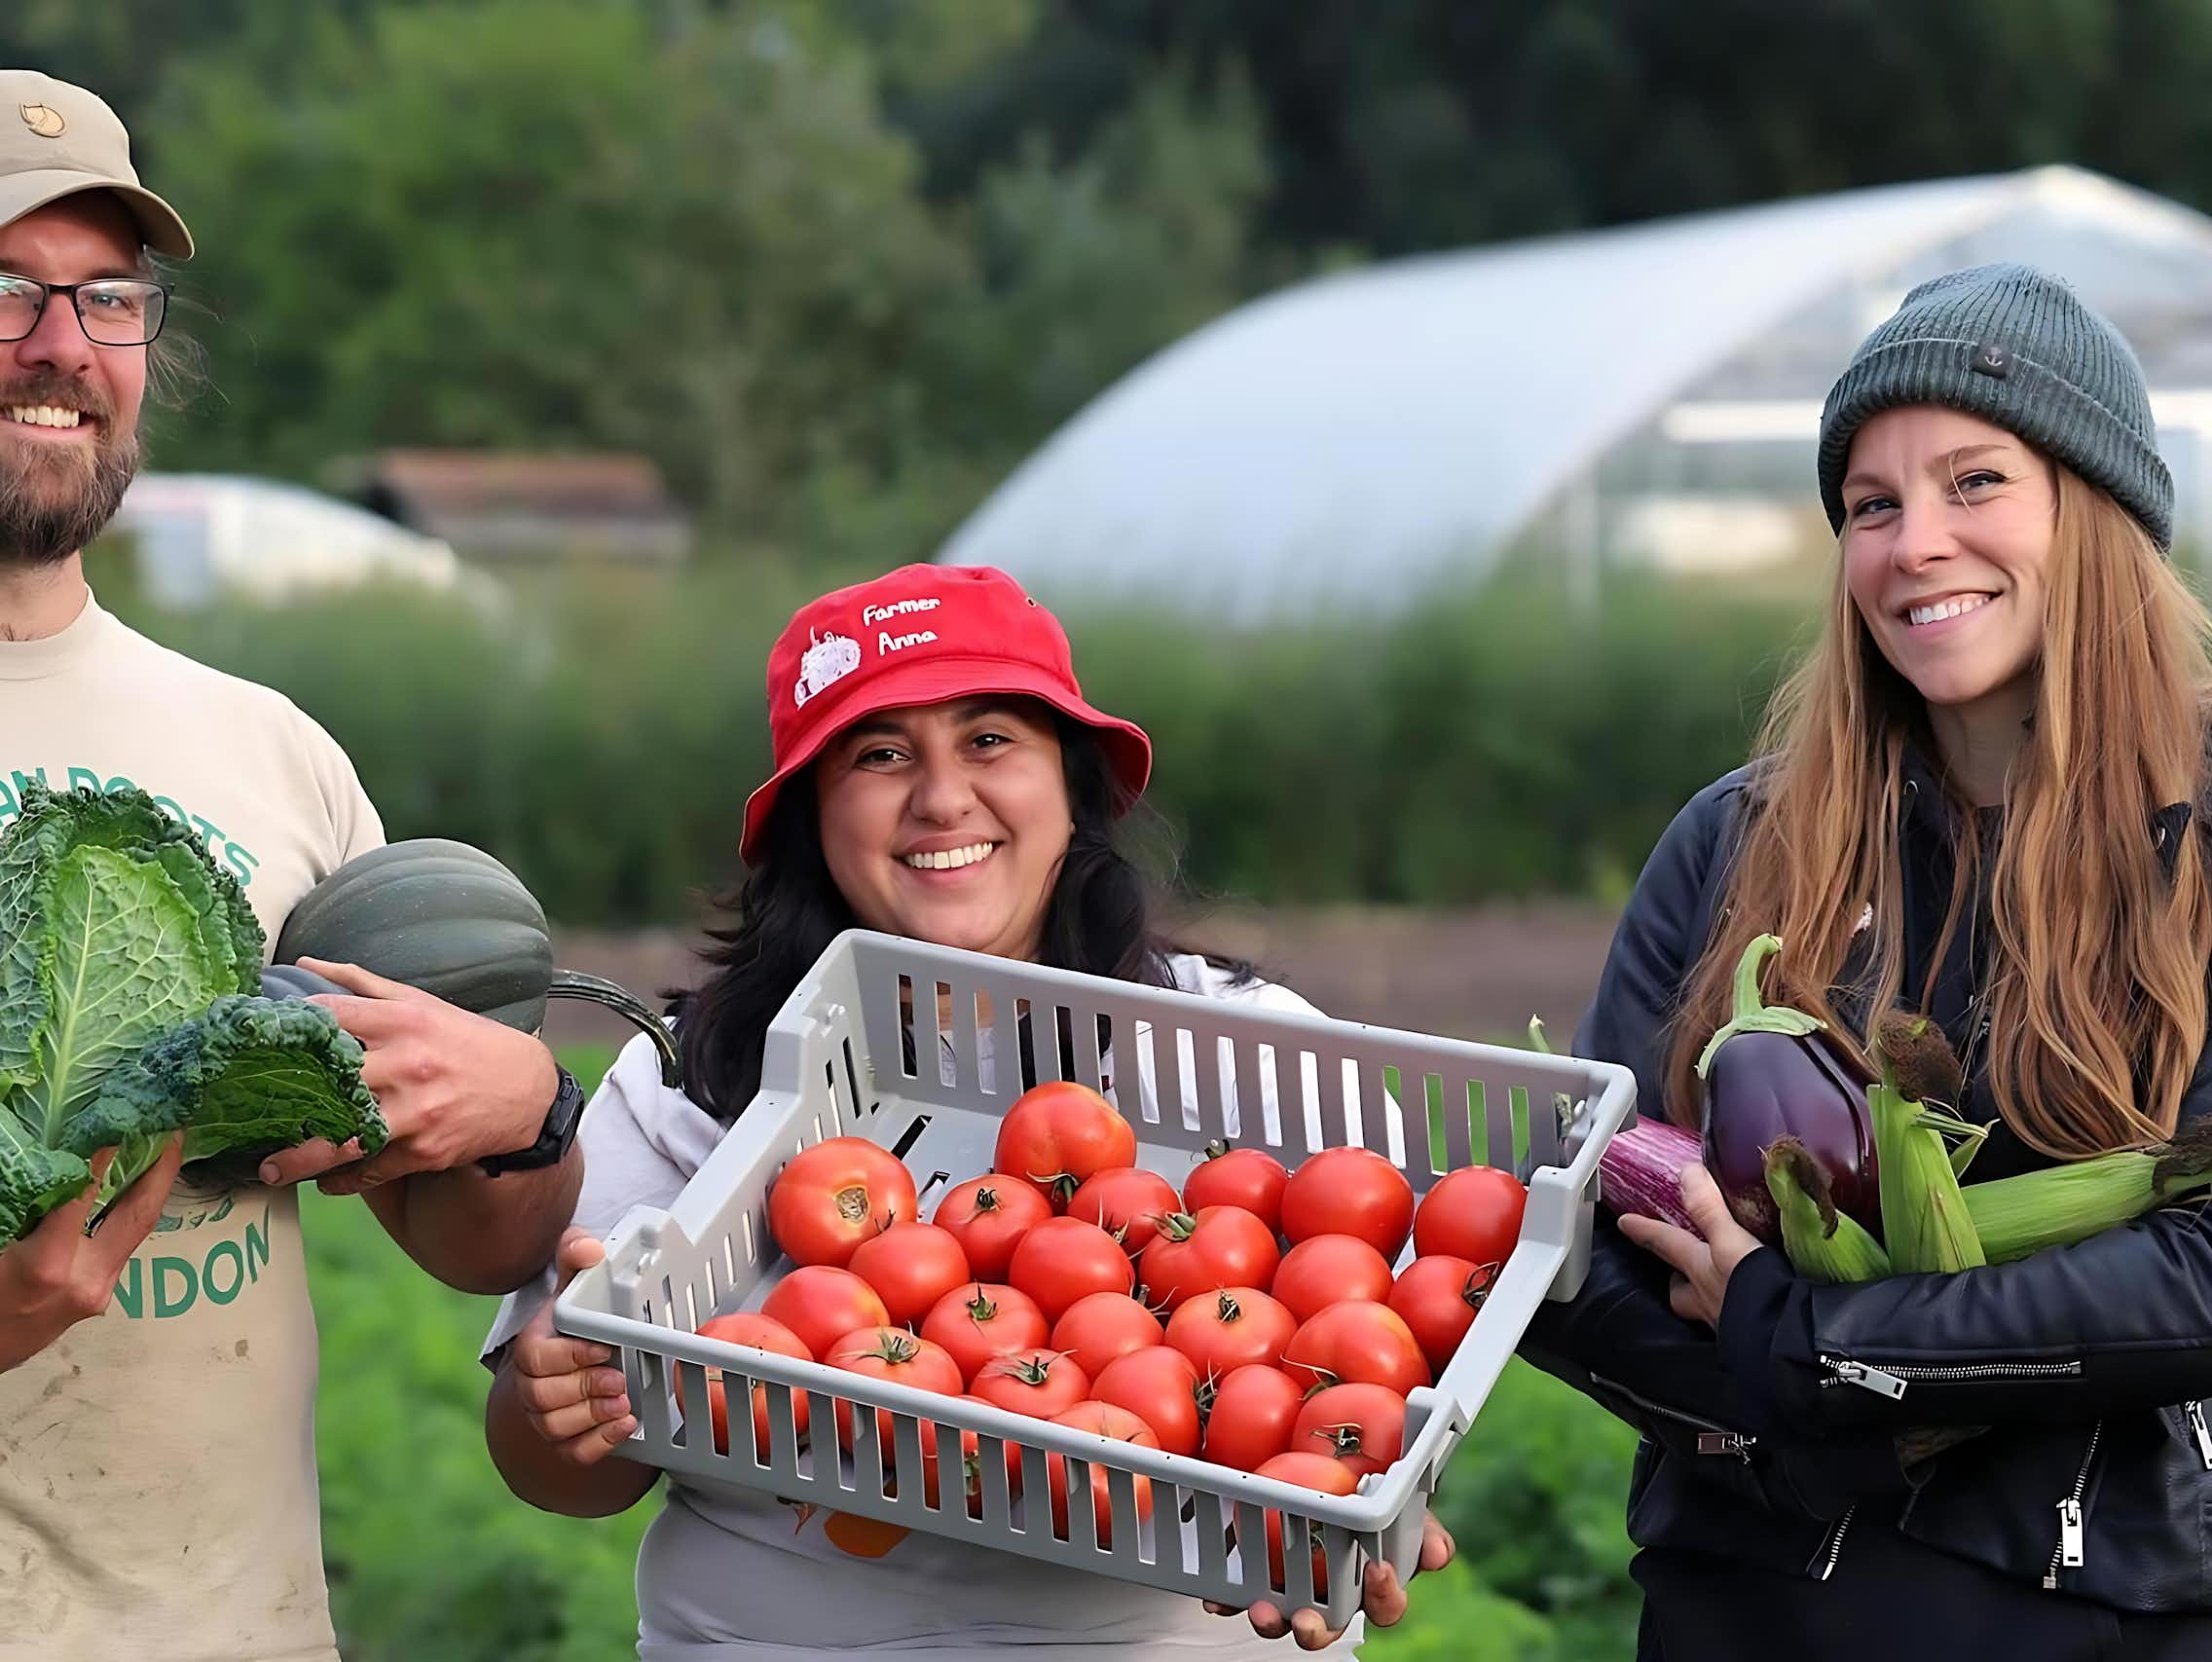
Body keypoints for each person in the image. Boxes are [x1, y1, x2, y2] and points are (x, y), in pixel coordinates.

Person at [0, 70, 583, 1660]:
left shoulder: (273, 750)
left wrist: (527, 1114)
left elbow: (472, 1242)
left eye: (108, 297)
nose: (64, 346)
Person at [481, 563, 1454, 1656]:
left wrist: (1357, 1495)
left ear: (1072, 785)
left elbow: (1391, 1347)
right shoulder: (691, 1072)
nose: (941, 798)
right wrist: (553, 1406)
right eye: (881, 754)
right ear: (810, 816)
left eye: (989, 740)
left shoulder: (1249, 1049)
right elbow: (563, 1474)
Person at [1525, 264, 2212, 1659]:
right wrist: (1814, 1422)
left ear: (2095, 513)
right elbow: (1578, 1223)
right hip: (1746, 1597)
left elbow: (2195, 1271)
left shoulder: (2201, 838)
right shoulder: (1738, 839)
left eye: (1975, 483)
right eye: (1872, 505)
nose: (1915, 545)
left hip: (2089, 1613)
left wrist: (1818, 1343)